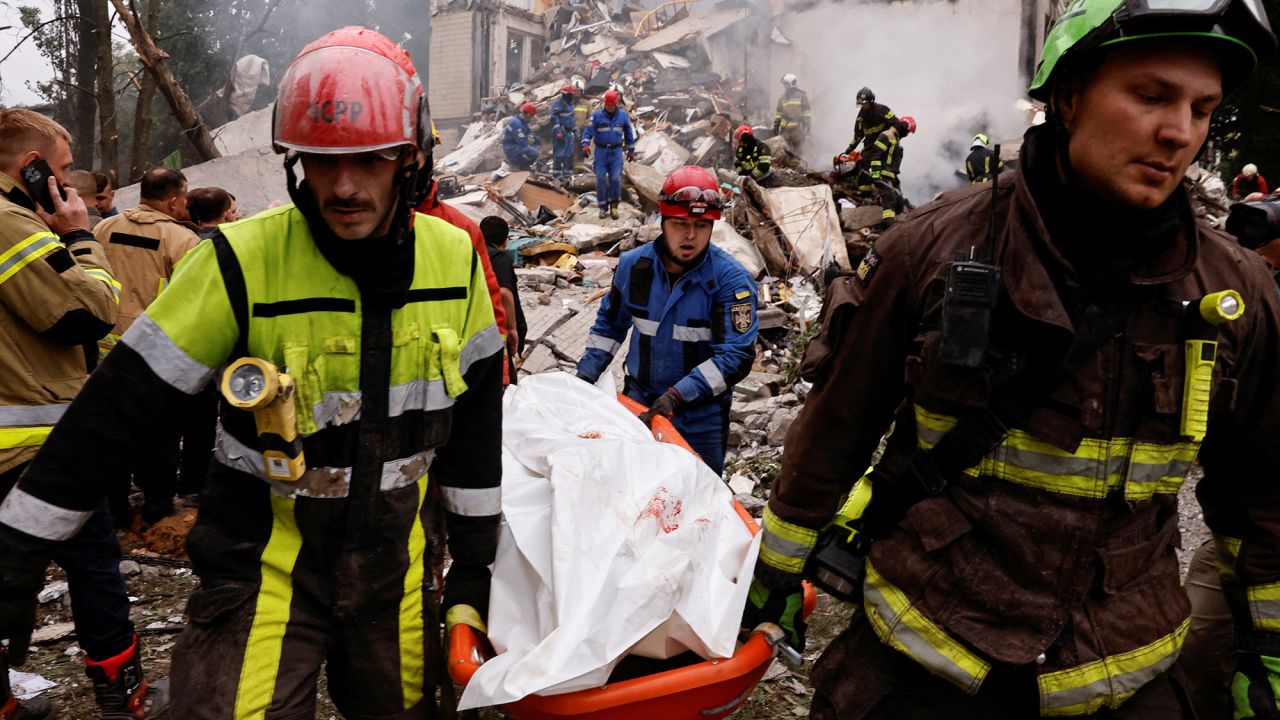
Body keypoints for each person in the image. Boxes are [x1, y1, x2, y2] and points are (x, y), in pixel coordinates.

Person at [743, 2, 1280, 719]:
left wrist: (1268, 651)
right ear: (1067, 97)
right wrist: (776, 568)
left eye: (1202, 107)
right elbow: (837, 427)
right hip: (926, 660)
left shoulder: (1236, 293)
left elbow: (1261, 499)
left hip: (1124, 672)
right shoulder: (931, 250)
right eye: (1151, 96)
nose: (1180, 131)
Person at [0, 26, 503, 719]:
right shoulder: (237, 261)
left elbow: (476, 432)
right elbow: (118, 412)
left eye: (371, 159)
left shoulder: (455, 260)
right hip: (263, 575)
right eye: (322, 162)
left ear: (411, 158)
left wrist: (471, 575)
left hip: (399, 574)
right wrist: (16, 556)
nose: (345, 186)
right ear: (295, 161)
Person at [0, 108, 168, 720]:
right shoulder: (12, 223)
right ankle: (122, 697)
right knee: (96, 571)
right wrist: (78, 234)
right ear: (32, 166)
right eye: (63, 171)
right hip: (41, 450)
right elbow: (87, 313)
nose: (70, 185)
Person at [575, 165, 757, 475]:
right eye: (681, 224)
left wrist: (677, 396)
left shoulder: (731, 282)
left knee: (697, 498)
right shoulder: (634, 267)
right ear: (663, 220)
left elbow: (736, 356)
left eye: (701, 225)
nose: (690, 235)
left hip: (701, 417)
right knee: (634, 489)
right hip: (639, 404)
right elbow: (609, 327)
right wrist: (583, 380)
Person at [94, 167, 201, 525]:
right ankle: (157, 509)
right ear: (173, 200)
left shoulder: (103, 228)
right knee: (161, 436)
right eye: (184, 198)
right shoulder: (182, 240)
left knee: (111, 434)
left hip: (106, 353)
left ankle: (116, 511)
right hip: (155, 356)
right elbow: (194, 302)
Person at [481, 215, 527, 379]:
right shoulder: (500, 259)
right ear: (505, 241)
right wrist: (512, 328)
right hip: (498, 334)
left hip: (479, 332)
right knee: (507, 384)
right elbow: (504, 293)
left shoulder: (473, 254)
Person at [582, 90, 636, 220]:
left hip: (616, 152)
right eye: (608, 105)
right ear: (605, 103)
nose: (610, 107)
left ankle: (614, 206)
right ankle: (602, 208)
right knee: (601, 179)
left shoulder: (623, 116)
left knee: (615, 179)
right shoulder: (596, 116)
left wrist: (631, 151)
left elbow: (629, 134)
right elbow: (588, 131)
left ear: (616, 104)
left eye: (612, 105)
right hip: (601, 152)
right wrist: (585, 144)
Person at [862, 116, 914, 227]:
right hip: (883, 174)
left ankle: (896, 224)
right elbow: (876, 155)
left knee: (899, 201)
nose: (907, 134)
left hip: (891, 175)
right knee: (889, 198)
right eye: (908, 132)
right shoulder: (887, 136)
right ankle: (888, 226)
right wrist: (876, 173)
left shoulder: (895, 139)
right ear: (903, 127)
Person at [845, 87, 896, 156]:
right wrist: (851, 147)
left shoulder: (881, 110)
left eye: (864, 103)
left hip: (885, 143)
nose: (863, 105)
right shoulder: (861, 117)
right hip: (869, 146)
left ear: (870, 101)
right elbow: (858, 135)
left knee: (878, 163)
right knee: (859, 164)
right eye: (861, 103)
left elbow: (896, 123)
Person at [773, 73, 811, 152]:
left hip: (796, 128)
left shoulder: (802, 96)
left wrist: (807, 122)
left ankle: (799, 163)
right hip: (784, 129)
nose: (785, 87)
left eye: (786, 84)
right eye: (784, 85)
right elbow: (779, 113)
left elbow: (806, 110)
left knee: (798, 149)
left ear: (792, 84)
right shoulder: (782, 98)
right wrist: (776, 125)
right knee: (784, 150)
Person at [549, 84, 578, 180]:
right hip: (561, 131)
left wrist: (575, 130)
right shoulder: (558, 104)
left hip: (569, 133)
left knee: (569, 155)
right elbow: (554, 118)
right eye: (571, 95)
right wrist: (558, 131)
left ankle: (567, 175)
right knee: (559, 154)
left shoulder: (570, 105)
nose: (572, 97)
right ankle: (557, 175)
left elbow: (571, 119)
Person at [503, 102, 540, 171]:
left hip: (516, 144)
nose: (533, 117)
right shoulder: (517, 123)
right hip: (511, 147)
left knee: (535, 146)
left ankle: (522, 165)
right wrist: (531, 143)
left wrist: (536, 140)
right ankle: (518, 165)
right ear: (528, 114)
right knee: (534, 152)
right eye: (532, 115)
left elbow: (529, 134)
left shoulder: (522, 121)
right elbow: (522, 142)